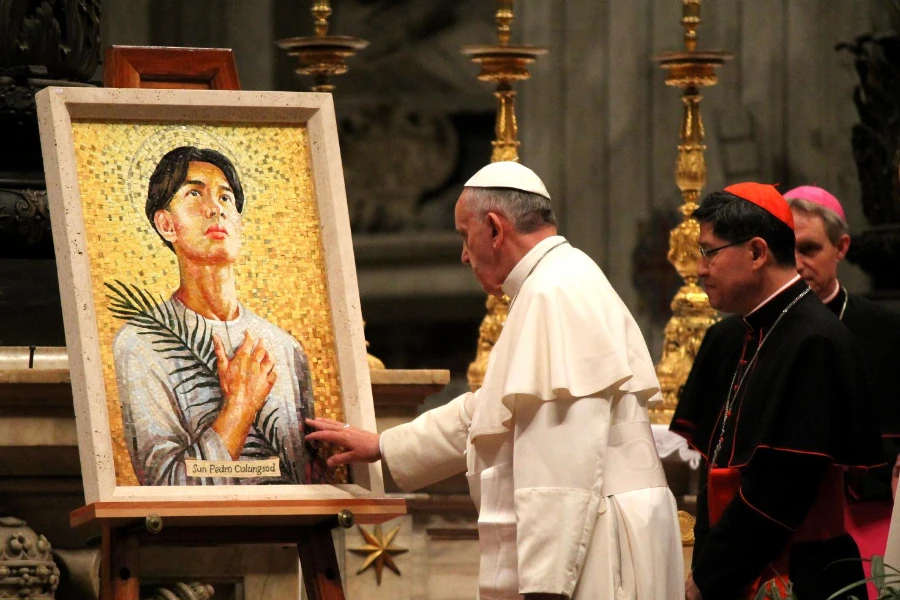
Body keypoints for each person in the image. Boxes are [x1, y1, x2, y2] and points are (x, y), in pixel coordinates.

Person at [307, 161, 684, 599]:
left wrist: (545, 585)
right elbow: (487, 410)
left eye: (465, 236)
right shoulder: (558, 281)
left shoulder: (553, 292)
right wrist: (384, 446)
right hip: (598, 527)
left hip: (594, 542)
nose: (464, 255)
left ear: (494, 228)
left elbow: (562, 459)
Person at [674, 184, 900, 595]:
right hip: (748, 568)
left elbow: (778, 493)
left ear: (757, 253)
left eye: (709, 252)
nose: (700, 269)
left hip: (796, 575)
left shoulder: (812, 340)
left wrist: (709, 578)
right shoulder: (757, 329)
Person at [112, 146, 324, 486]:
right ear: (166, 224)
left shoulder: (285, 349)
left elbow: (309, 478)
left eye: (226, 198)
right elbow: (168, 486)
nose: (215, 209)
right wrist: (240, 407)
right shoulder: (142, 343)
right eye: (194, 193)